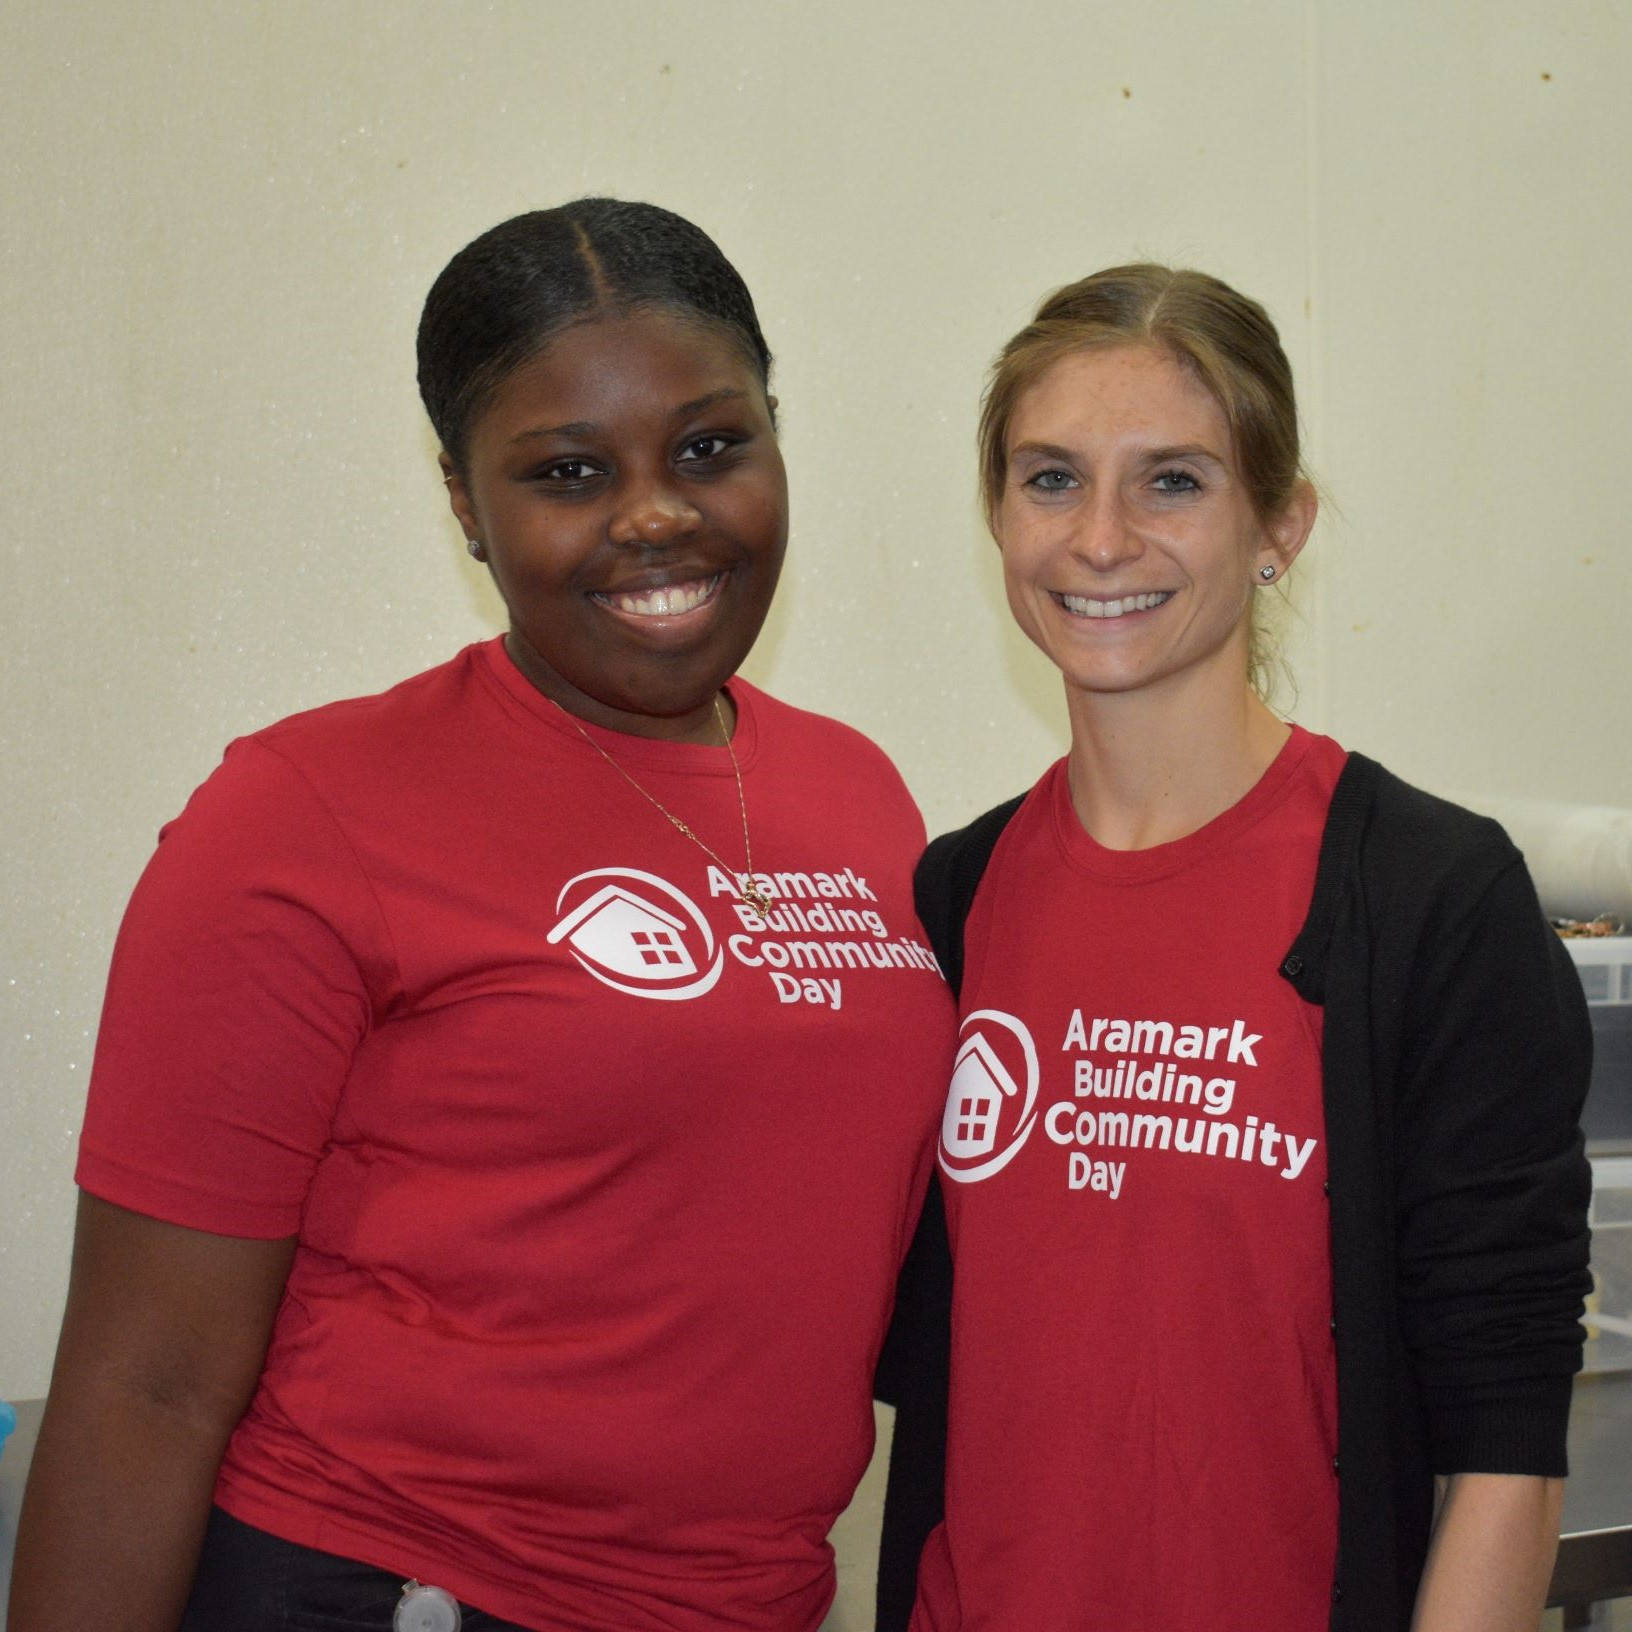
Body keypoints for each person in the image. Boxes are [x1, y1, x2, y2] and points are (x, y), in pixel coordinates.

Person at [10, 199, 955, 1632]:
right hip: (386, 1586)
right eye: (568, 471)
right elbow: (147, 1386)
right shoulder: (304, 813)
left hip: (749, 1599)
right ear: (463, 502)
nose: (655, 514)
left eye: (711, 446)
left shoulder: (860, 793)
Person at [874, 264, 1593, 1631]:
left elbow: (1506, 1449)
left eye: (1173, 482)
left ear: (1280, 525)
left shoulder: (1425, 898)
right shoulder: (958, 896)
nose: (1100, 539)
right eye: (1050, 479)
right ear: (998, 516)